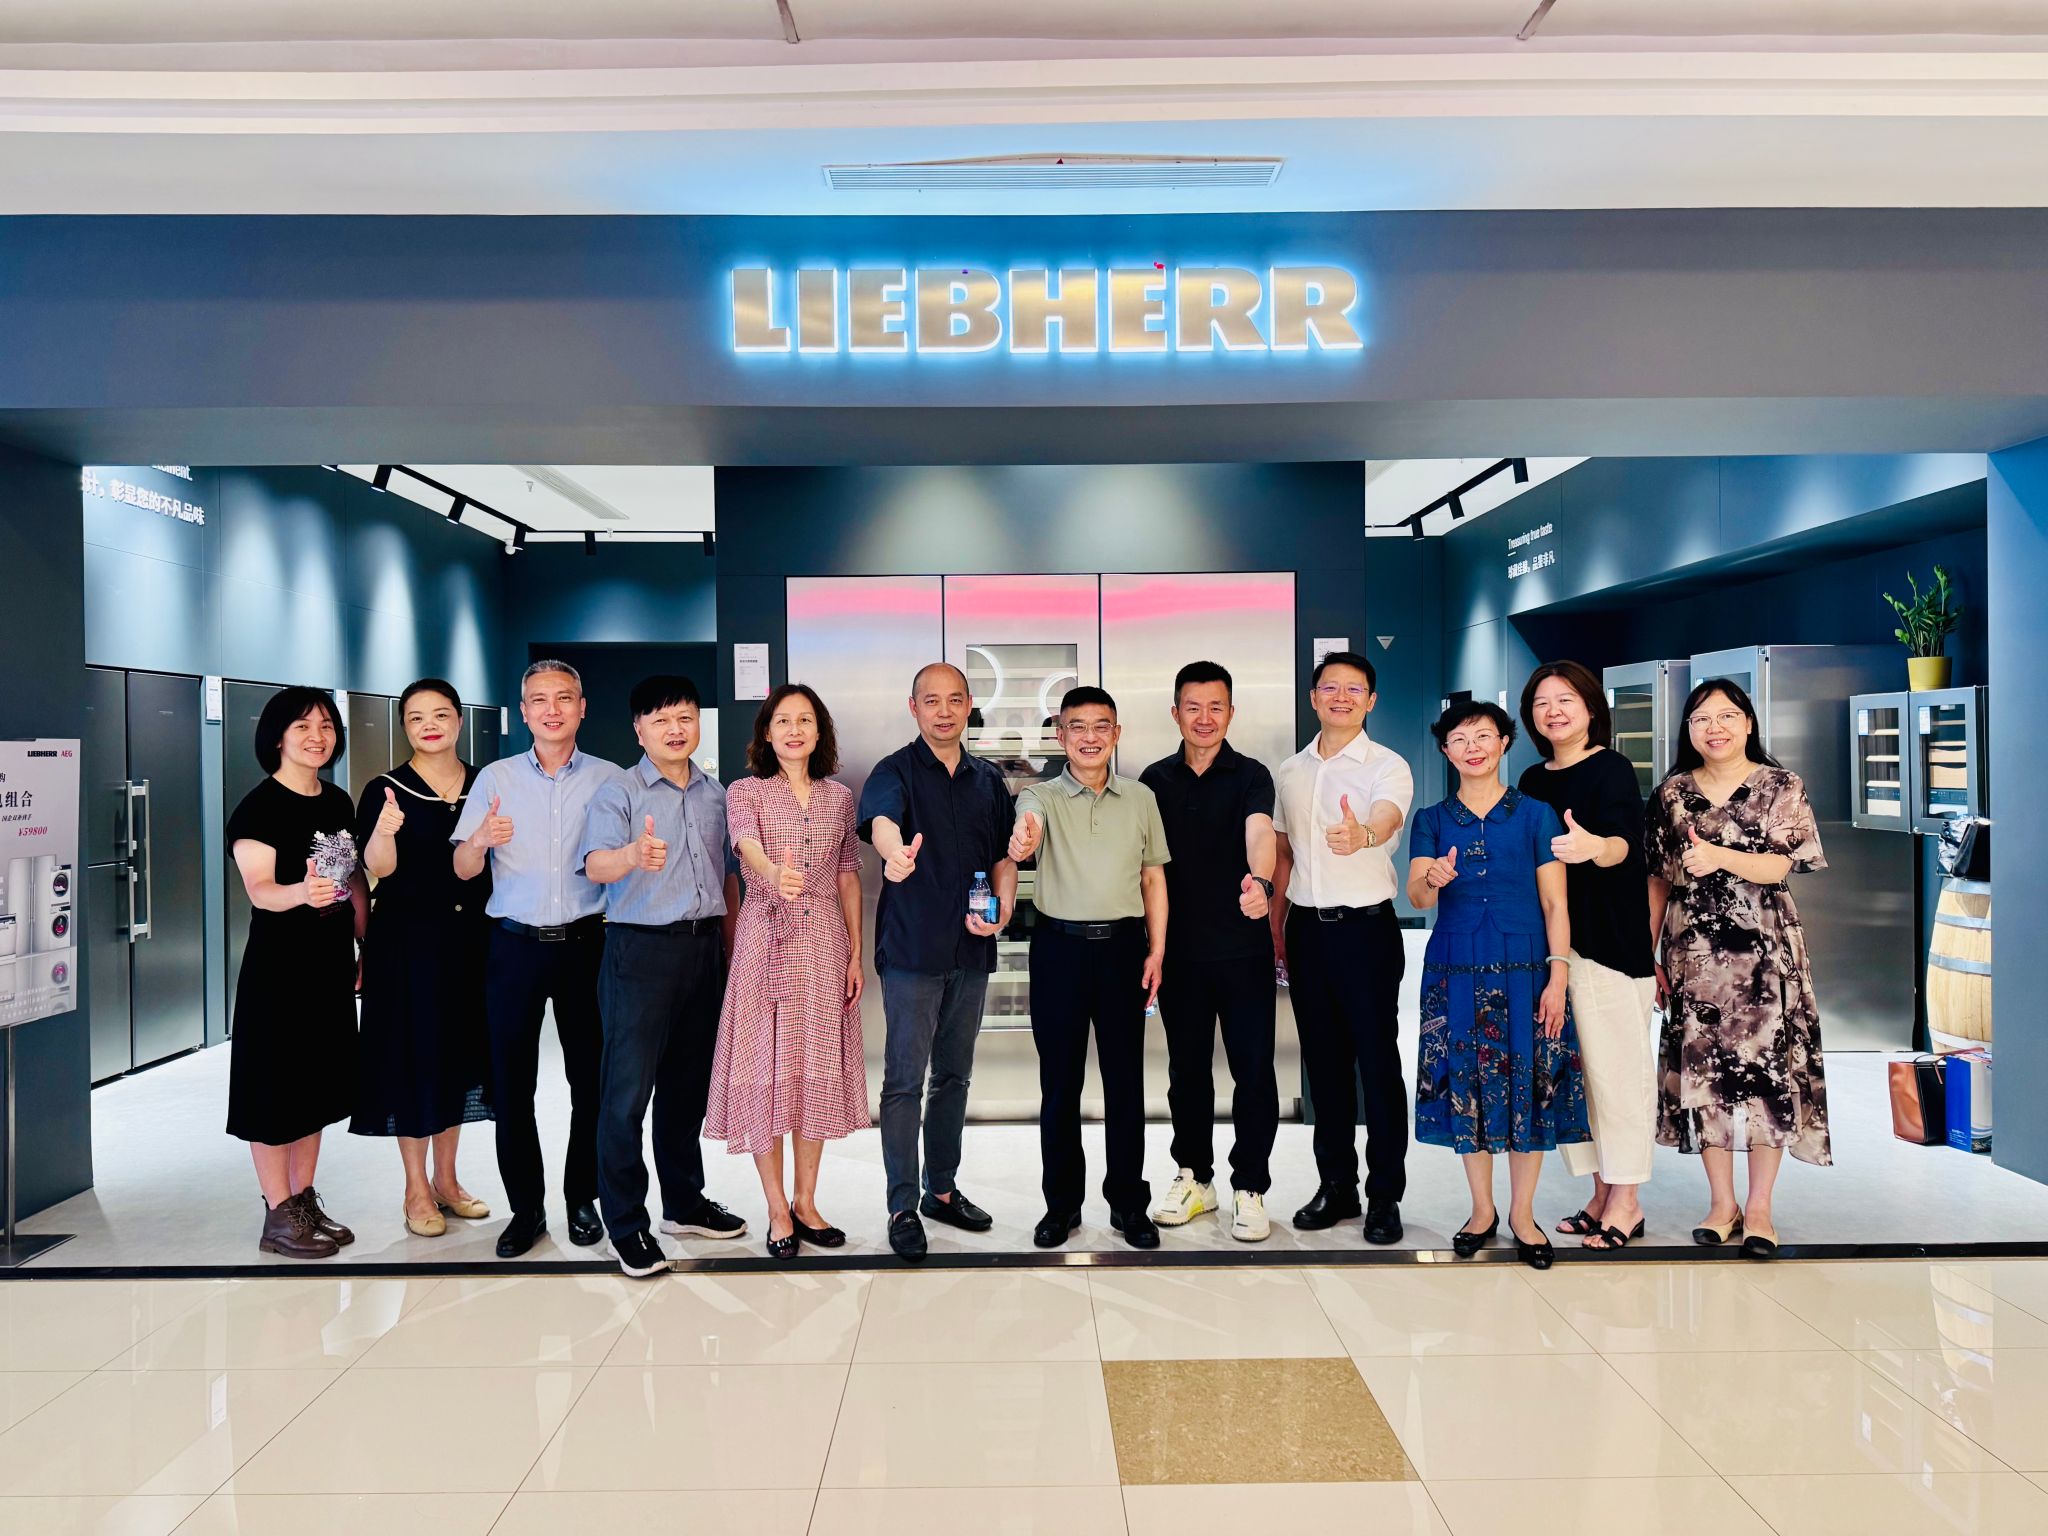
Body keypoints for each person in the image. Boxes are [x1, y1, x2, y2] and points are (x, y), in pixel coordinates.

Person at [1648, 678, 1830, 1260]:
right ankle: (1721, 1203)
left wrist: (1718, 856)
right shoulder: (1673, 792)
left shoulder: (1781, 786)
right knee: (1705, 1077)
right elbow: (1658, 877)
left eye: (1727, 716)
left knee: (1765, 1076)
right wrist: (1650, 955)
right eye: (1702, 718)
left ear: (1748, 723)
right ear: (1688, 730)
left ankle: (1759, 1209)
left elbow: (1781, 866)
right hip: (1694, 953)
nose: (1715, 728)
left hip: (1764, 955)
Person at [1407, 700, 1590, 1271]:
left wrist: (1558, 974)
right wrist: (1433, 876)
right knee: (1468, 1081)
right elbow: (1416, 895)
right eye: (1460, 739)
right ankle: (1481, 1210)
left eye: (1484, 736)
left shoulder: (1536, 815)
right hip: (1456, 967)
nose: (1473, 747)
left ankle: (1523, 1215)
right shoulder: (1431, 820)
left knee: (1528, 1086)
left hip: (1528, 969)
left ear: (1505, 743)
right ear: (1446, 751)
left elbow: (1556, 903)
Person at [451, 660, 621, 1259]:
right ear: (523, 711)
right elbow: (462, 869)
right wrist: (478, 841)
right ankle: (526, 1209)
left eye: (564, 698)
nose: (552, 709)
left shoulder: (610, 779)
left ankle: (582, 1200)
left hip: (587, 945)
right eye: (539, 700)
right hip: (513, 947)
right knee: (512, 1084)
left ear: (582, 708)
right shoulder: (494, 778)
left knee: (591, 1081)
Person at [581, 675, 748, 1278]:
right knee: (626, 1095)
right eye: (660, 720)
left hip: (704, 951)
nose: (675, 730)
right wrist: (632, 856)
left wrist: (731, 949)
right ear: (639, 729)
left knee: (686, 1089)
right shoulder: (619, 792)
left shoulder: (716, 795)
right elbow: (595, 865)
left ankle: (683, 1203)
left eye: (685, 717)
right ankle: (626, 1223)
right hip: (640, 952)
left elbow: (727, 878)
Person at [858, 662, 1017, 1262]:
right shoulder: (893, 771)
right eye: (932, 700)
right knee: (904, 1080)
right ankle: (902, 1204)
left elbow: (1004, 857)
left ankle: (941, 1190)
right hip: (912, 951)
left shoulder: (988, 780)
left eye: (954, 700)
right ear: (914, 707)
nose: (944, 711)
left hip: (971, 950)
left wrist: (1003, 908)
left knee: (954, 1077)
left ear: (969, 704)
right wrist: (895, 855)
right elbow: (882, 822)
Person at [705, 683, 870, 1260]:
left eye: (804, 720)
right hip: (765, 939)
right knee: (765, 1071)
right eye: (782, 721)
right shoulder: (745, 791)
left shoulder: (839, 798)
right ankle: (776, 1207)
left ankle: (806, 1201)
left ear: (819, 731)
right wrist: (774, 873)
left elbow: (848, 873)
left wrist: (855, 951)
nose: (794, 730)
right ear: (767, 733)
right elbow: (745, 844)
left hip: (825, 942)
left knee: (813, 1071)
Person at [1008, 685, 1170, 1250]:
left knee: (1126, 1083)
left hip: (1124, 949)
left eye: (1102, 726)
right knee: (1060, 1085)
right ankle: (1062, 1206)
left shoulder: (1141, 797)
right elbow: (1026, 826)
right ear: (1060, 736)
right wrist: (1023, 838)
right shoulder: (1041, 795)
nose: (1090, 737)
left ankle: (1129, 1204)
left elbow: (1153, 877)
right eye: (1077, 726)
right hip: (1060, 952)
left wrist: (1157, 949)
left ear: (1117, 734)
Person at [1271, 650, 1414, 1245]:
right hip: (1307, 930)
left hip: (1366, 932)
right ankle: (1337, 1186)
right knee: (1324, 1066)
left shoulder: (1388, 765)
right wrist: (1277, 928)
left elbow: (1387, 818)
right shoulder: (1290, 771)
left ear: (1371, 701)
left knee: (1376, 1064)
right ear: (1313, 698)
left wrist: (1364, 834)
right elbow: (1283, 854)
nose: (1341, 698)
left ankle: (1385, 1195)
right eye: (1330, 688)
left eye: (1354, 690)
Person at [1517, 661, 1658, 1251]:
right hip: (1554, 950)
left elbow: (1626, 844)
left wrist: (1593, 846)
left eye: (1565, 700)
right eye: (1541, 703)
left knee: (1617, 1076)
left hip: (1608, 947)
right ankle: (1601, 1193)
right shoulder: (1531, 779)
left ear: (1591, 708)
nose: (1553, 711)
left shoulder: (1612, 768)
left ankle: (1627, 1200)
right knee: (1576, 1079)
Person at [1139, 660, 1280, 1242]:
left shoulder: (1251, 774)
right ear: (1175, 713)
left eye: (1215, 706)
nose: (1204, 718)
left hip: (1243, 950)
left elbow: (1260, 832)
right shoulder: (1153, 780)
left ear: (1231, 712)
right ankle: (1195, 1177)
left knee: (1254, 1070)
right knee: (1188, 1072)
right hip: (1180, 954)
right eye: (1193, 707)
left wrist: (1261, 882)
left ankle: (1250, 1186)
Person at [352, 677, 494, 1240]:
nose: (429, 725)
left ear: (459, 720)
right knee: (412, 1059)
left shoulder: (486, 783)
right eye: (415, 717)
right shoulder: (385, 790)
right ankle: (416, 1188)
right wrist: (385, 831)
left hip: (471, 941)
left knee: (456, 1055)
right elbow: (378, 869)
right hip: (406, 944)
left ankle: (448, 1181)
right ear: (404, 727)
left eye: (439, 714)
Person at [227, 686, 365, 1259]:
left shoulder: (337, 801)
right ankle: (278, 1212)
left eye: (327, 726)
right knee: (274, 1092)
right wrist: (301, 893)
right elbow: (260, 890)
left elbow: (354, 880)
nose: (317, 736)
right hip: (279, 972)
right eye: (303, 726)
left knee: (317, 1088)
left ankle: (304, 1201)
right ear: (278, 737)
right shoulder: (258, 808)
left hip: (329, 967)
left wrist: (365, 944)